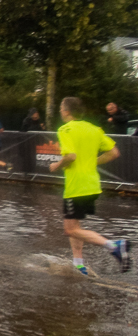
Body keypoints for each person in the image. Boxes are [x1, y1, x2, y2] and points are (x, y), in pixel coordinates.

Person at [49, 97, 130, 275]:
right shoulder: (94, 129)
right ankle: (79, 264)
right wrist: (93, 162)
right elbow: (114, 152)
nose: (61, 112)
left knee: (70, 229)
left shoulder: (66, 129)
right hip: (92, 185)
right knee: (76, 227)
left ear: (67, 111)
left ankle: (114, 246)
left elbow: (70, 156)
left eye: (62, 109)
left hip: (76, 186)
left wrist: (56, 165)